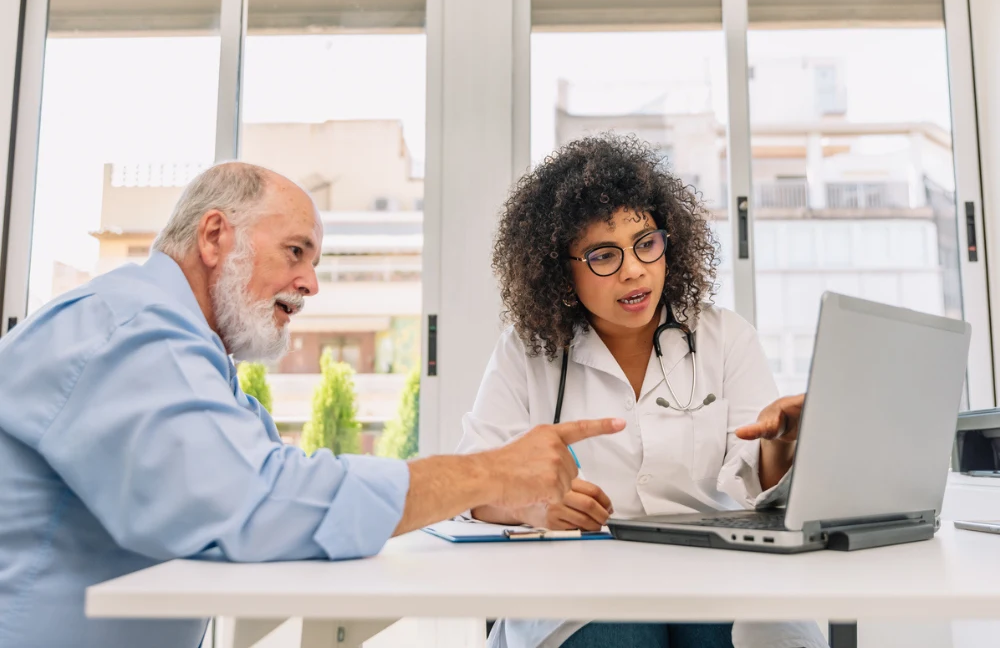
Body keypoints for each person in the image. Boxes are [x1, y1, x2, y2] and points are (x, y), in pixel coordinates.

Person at [0, 162, 624, 648]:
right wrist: (487, 472)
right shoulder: (126, 327)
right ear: (215, 235)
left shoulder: (194, 360)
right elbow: (255, 499)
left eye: (314, 261)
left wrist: (480, 491)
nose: (311, 283)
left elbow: (281, 483)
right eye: (295, 251)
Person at [457, 136, 825, 648]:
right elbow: (473, 481)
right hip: (583, 581)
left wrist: (781, 440)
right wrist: (529, 506)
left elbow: (757, 488)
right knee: (618, 633)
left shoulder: (725, 337)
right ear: (561, 271)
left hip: (716, 571)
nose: (634, 269)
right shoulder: (527, 354)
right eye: (604, 255)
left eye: (646, 243)